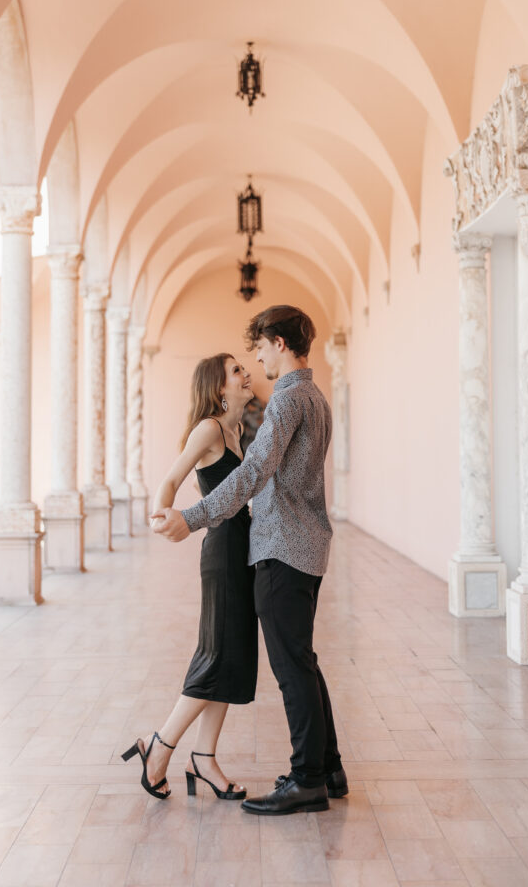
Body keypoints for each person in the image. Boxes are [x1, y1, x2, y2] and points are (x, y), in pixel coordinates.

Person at [152, 305, 347, 816]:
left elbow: (255, 471)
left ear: (279, 343)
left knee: (293, 669)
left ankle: (308, 779)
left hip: (283, 548)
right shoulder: (316, 396)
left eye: (258, 346)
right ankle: (327, 767)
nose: (255, 357)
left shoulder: (286, 399)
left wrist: (191, 517)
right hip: (303, 545)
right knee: (302, 662)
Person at [121, 354, 257, 801]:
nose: (245, 373)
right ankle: (159, 747)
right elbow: (171, 479)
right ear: (219, 387)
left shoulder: (238, 432)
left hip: (244, 552)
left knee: (232, 659)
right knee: (217, 656)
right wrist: (163, 516)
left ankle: (204, 759)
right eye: (236, 370)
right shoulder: (210, 429)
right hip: (222, 553)